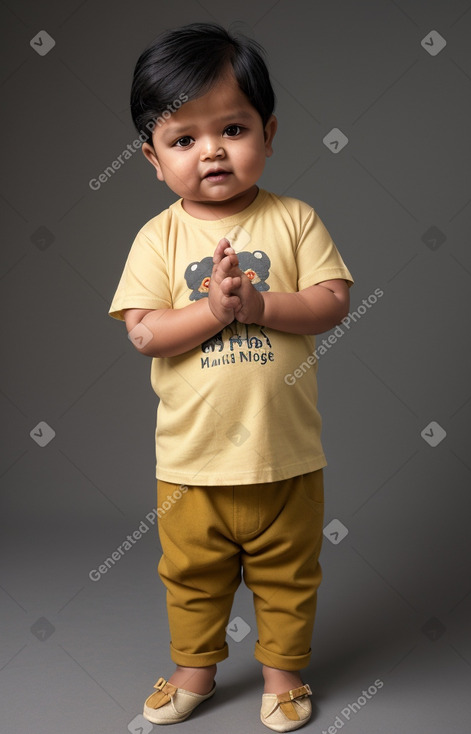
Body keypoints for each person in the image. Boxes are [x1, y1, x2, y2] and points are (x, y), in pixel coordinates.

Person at [109, 21, 354, 732]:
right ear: (153, 158)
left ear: (268, 134)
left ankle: (281, 676)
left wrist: (258, 303)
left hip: (284, 458)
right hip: (191, 463)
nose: (210, 150)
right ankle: (196, 671)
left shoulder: (295, 220)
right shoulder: (157, 237)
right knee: (191, 578)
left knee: (288, 576)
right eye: (183, 139)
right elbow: (144, 331)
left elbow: (333, 304)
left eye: (233, 128)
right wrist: (214, 313)